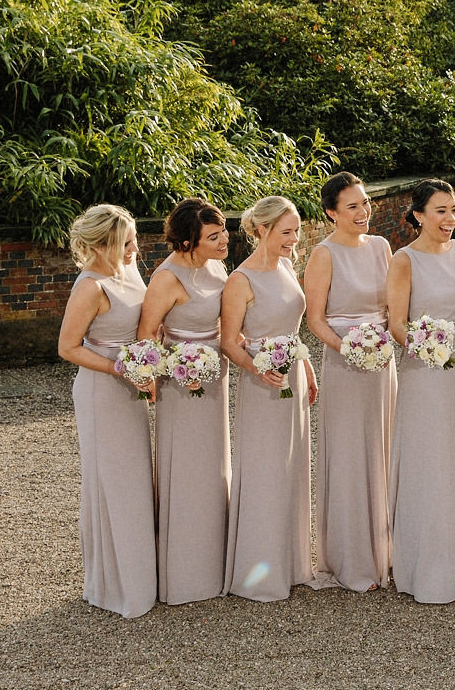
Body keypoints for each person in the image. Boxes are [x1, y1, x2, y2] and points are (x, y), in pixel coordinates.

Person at [57, 204, 156, 618]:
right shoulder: (90, 287)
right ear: (102, 245)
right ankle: (117, 584)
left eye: (134, 239)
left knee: (135, 477)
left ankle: (142, 576)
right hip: (101, 391)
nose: (135, 248)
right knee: (113, 481)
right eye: (126, 242)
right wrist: (121, 367)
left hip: (131, 387)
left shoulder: (130, 270)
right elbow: (67, 348)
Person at [221, 196, 317, 602]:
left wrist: (306, 365)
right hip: (261, 384)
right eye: (285, 232)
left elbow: (292, 327)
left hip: (291, 374)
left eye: (295, 231)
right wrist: (258, 369)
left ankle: (290, 563)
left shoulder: (286, 265)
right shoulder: (240, 281)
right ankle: (259, 572)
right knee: (264, 468)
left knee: (291, 465)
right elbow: (228, 342)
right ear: (260, 230)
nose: (293, 240)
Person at [386, 179, 455, 604]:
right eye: (440, 210)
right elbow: (396, 323)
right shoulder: (403, 260)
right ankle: (422, 563)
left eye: (453, 209)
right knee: (427, 459)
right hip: (423, 372)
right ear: (419, 215)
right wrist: (426, 344)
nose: (450, 219)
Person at [138, 198, 231, 606]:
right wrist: (166, 370)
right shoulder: (167, 277)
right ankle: (185, 573)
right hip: (183, 383)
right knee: (187, 468)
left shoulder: (217, 266)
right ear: (189, 241)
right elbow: (146, 334)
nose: (224, 239)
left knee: (214, 466)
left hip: (215, 379)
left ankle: (215, 564)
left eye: (224, 229)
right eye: (213, 236)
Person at [305, 172, 395, 592]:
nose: (363, 212)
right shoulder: (323, 255)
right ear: (331, 213)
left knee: (383, 449)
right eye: (352, 206)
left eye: (365, 203)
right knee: (349, 453)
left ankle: (386, 552)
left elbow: (393, 308)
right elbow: (315, 320)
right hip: (346, 364)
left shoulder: (381, 247)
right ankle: (352, 558)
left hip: (383, 365)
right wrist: (349, 350)